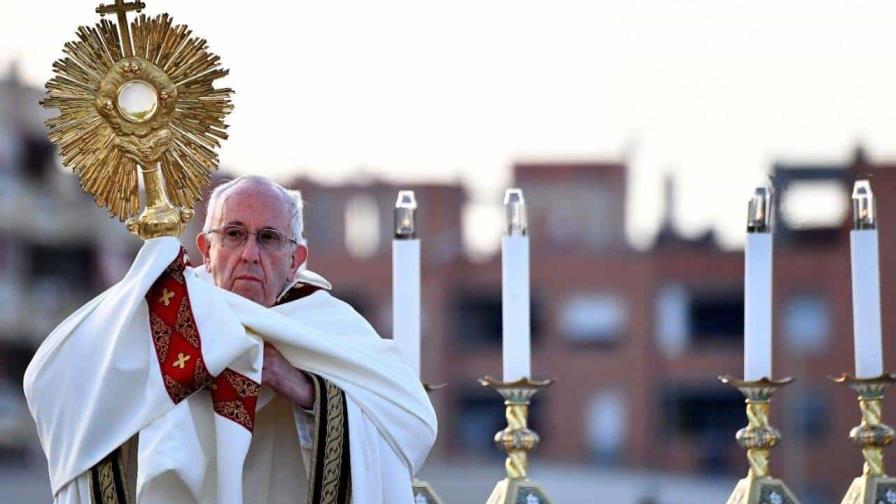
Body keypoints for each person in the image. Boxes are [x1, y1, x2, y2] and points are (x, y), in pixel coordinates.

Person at [24, 175, 437, 504]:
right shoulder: (163, 314)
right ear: (206, 247)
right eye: (234, 234)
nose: (250, 254)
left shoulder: (328, 326)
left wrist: (311, 392)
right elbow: (54, 378)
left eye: (269, 238)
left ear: (296, 260)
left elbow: (413, 422)